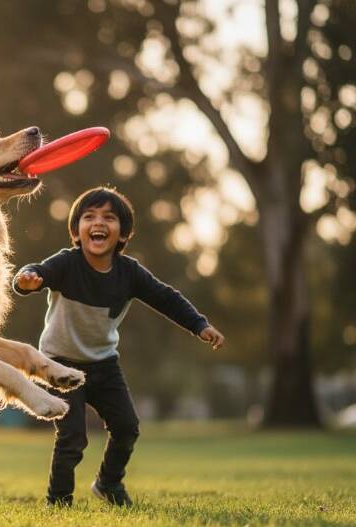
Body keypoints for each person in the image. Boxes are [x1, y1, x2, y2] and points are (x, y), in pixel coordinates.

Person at [13, 187, 225, 507]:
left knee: (127, 428)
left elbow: (166, 298)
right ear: (76, 230)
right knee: (72, 437)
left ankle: (109, 483)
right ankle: (58, 500)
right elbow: (38, 271)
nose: (98, 223)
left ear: (122, 233)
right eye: (89, 217)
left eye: (109, 218)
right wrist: (27, 280)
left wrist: (199, 325)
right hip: (58, 364)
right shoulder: (67, 263)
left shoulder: (129, 273)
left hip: (103, 365)